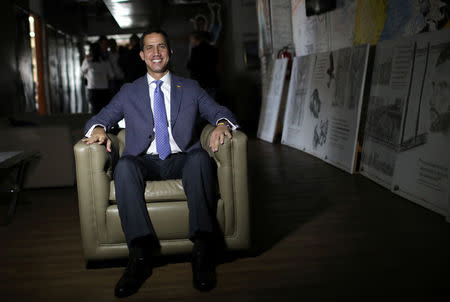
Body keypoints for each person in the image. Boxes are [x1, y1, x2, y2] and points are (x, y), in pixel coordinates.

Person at [82, 28, 238, 298]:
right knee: (124, 167)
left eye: (162, 47)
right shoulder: (129, 91)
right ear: (142, 55)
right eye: (150, 48)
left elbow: (219, 111)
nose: (156, 53)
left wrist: (222, 124)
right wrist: (97, 129)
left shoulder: (189, 87)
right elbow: (101, 116)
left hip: (181, 159)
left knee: (200, 159)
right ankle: (140, 257)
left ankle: (202, 251)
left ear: (170, 52)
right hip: (143, 160)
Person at [81, 42, 114, 114]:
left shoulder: (87, 61)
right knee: (104, 112)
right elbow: (111, 76)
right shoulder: (106, 62)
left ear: (90, 51)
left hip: (93, 90)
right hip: (104, 90)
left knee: (94, 111)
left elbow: (82, 72)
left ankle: (95, 125)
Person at [187, 31, 219, 97]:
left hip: (200, 82)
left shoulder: (195, 50)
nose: (191, 41)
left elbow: (190, 66)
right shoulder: (213, 49)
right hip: (212, 81)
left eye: (192, 39)